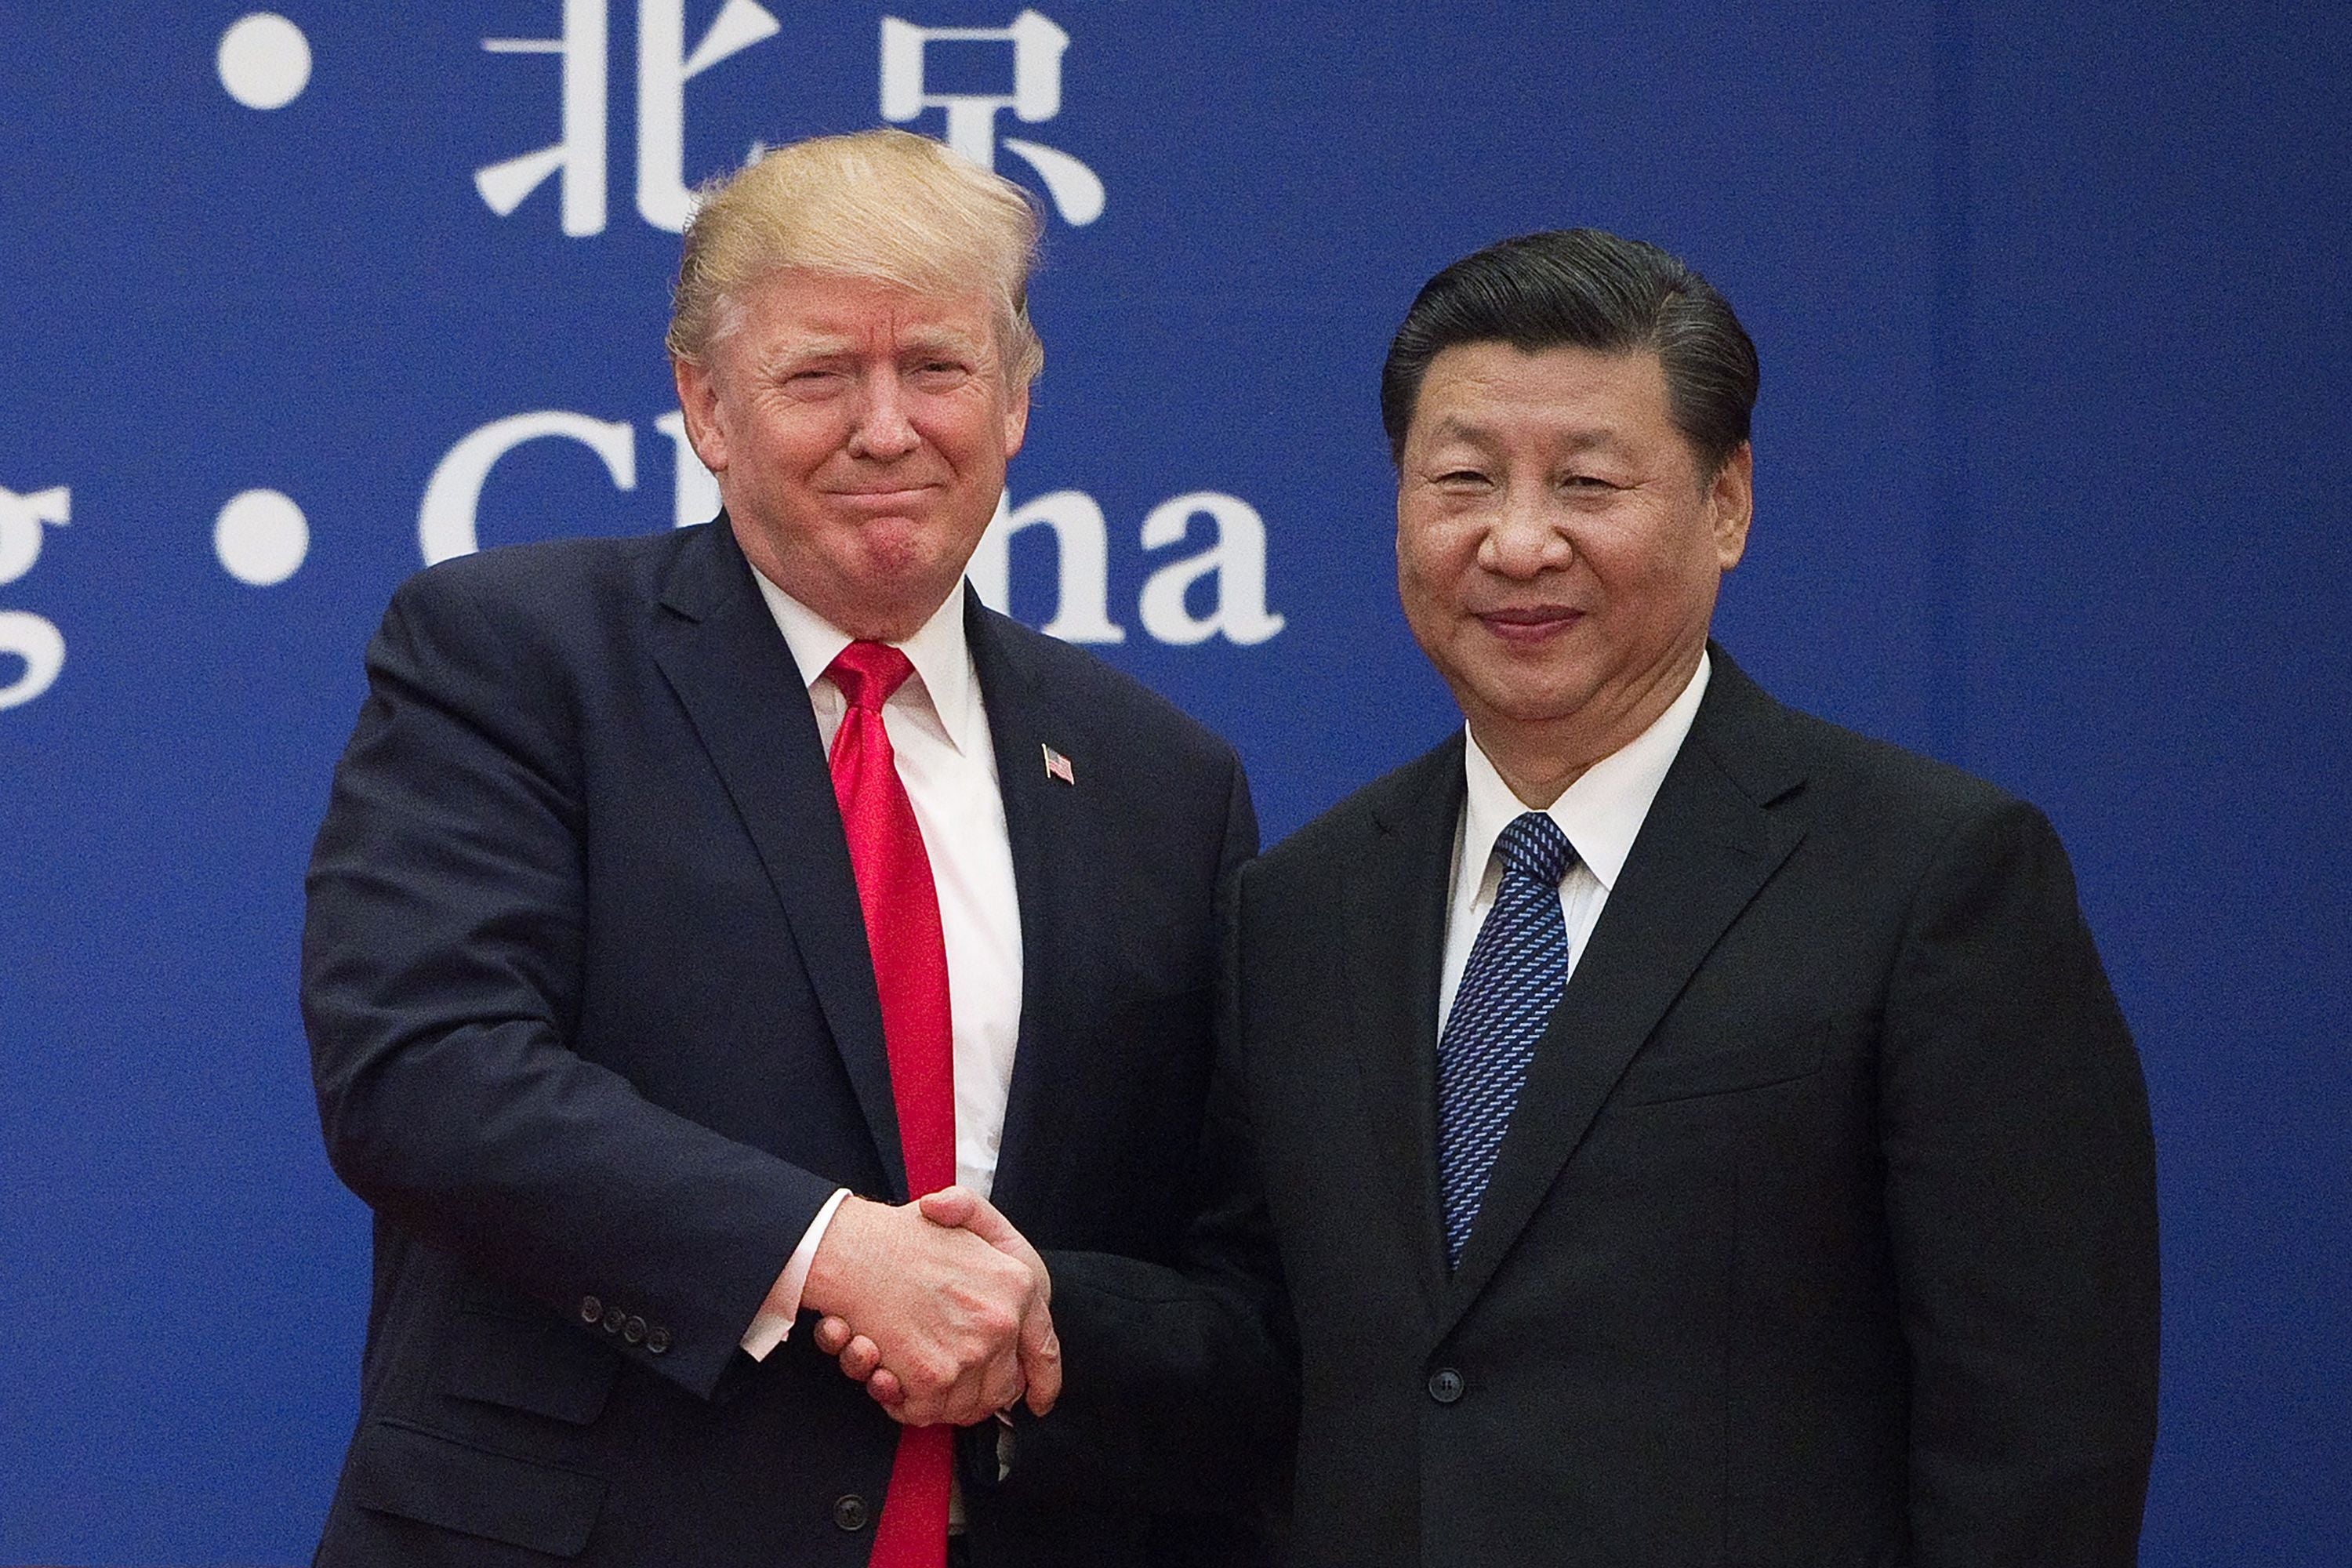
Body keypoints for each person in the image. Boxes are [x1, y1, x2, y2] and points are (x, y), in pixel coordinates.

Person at [851, 227, 2159, 1565]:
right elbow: (1268, 1345)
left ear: (1729, 503)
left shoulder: (1930, 877)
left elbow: (2039, 1439)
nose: (1519, 543)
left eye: (1589, 483)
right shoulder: (1303, 908)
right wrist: (1041, 1311)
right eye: (1464, 479)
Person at [302, 128, 1273, 1567]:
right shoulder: (517, 656)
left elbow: (1233, 1274)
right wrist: (835, 1254)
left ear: (1015, 399)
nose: (887, 429)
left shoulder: (1160, 778)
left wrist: (1044, 1322)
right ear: (706, 404)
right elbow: (423, 1072)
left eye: (937, 369)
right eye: (820, 374)